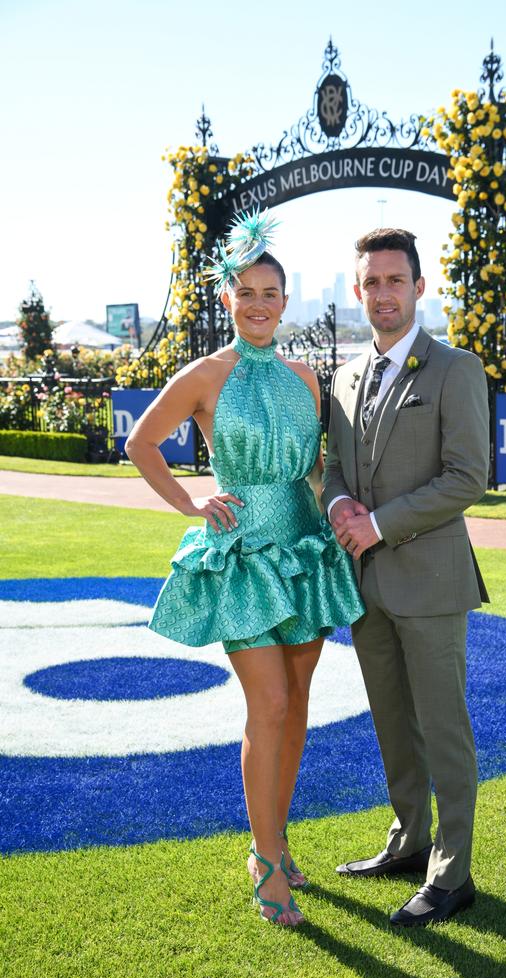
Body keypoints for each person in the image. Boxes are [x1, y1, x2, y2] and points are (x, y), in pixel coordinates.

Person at [126, 212, 364, 927]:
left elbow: (320, 471)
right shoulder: (203, 375)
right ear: (226, 299)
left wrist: (338, 520)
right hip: (242, 555)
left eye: (271, 293)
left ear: (285, 303)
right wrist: (190, 503)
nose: (259, 304)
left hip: (302, 552)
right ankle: (265, 861)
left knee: (296, 704)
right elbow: (142, 444)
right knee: (269, 706)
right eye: (247, 292)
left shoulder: (304, 378)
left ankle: (278, 840)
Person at [322, 227, 489, 928]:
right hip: (368, 587)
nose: (383, 294)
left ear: (420, 287)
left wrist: (381, 523)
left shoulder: (455, 368)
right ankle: (409, 840)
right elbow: (334, 466)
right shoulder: (346, 375)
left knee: (442, 727)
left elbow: (468, 477)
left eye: (396, 280)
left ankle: (451, 875)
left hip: (431, 580)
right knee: (393, 723)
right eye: (372, 283)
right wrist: (336, 503)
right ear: (358, 292)